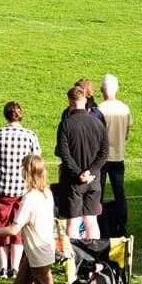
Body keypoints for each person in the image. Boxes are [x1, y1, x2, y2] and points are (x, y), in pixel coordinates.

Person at [0, 154, 57, 284]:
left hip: (38, 254)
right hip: (39, 250)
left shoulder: (29, 197)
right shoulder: (46, 192)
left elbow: (14, 229)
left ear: (26, 172)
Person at [0, 101, 42, 279]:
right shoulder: (30, 135)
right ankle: (15, 267)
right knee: (19, 226)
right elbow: (37, 161)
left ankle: (2, 267)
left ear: (5, 115)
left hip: (2, 188)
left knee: (0, 225)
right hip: (23, 188)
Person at [56, 85, 109, 240]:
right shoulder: (98, 124)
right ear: (85, 100)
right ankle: (93, 257)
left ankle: (74, 260)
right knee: (91, 222)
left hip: (73, 181)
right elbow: (104, 153)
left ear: (70, 102)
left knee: (73, 222)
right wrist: (90, 172)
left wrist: (79, 173)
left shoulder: (65, 124)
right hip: (93, 180)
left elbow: (64, 154)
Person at [97, 74, 133, 233]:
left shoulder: (99, 109)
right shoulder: (124, 108)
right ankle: (122, 226)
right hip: (118, 156)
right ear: (117, 88)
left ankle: (99, 226)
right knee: (120, 193)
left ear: (102, 90)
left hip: (101, 158)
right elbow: (126, 134)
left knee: (98, 194)